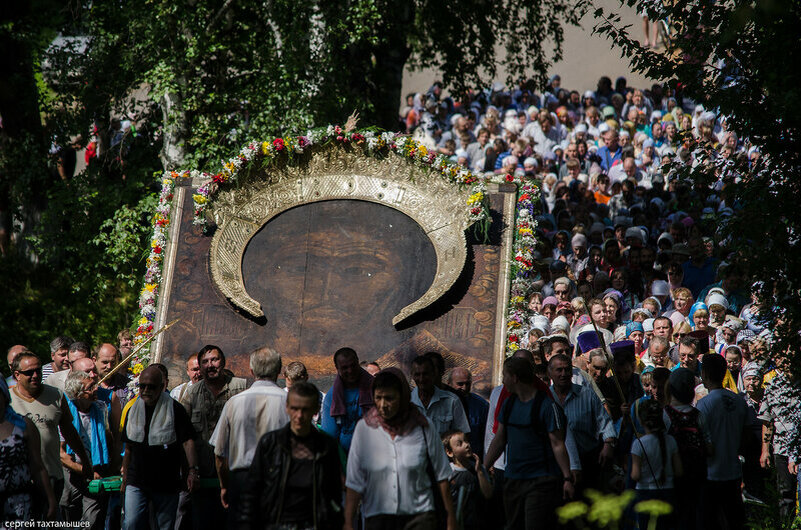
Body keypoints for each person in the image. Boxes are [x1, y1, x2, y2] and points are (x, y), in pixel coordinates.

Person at [344, 368, 457, 530]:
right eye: (378, 398)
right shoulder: (364, 429)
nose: (383, 405)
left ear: (403, 397)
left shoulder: (423, 427)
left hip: (420, 517)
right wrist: (348, 522)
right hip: (377, 518)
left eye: (389, 398)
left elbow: (442, 477)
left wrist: (451, 521)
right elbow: (354, 480)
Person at [238, 381, 343, 529]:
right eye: (295, 409)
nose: (299, 416)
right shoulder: (270, 444)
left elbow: (334, 493)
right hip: (277, 524)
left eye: (305, 410)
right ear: (287, 408)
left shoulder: (326, 447)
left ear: (316, 410)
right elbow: (252, 490)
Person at [484, 357, 574, 529]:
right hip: (513, 479)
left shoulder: (547, 406)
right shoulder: (508, 404)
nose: (503, 381)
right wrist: (484, 466)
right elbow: (499, 439)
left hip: (540, 482)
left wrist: (567, 478)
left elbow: (558, 444)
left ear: (515, 377)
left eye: (505, 375)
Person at [209, 347, 289, 523]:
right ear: (279, 371)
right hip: (278, 481)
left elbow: (220, 454)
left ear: (252, 371)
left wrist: (224, 486)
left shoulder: (234, 403)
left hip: (242, 481)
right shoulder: (289, 404)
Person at [9, 351, 91, 513]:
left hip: (52, 476)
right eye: (29, 372)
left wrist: (85, 461)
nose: (35, 375)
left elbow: (69, 432)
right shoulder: (7, 400)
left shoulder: (55, 395)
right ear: (17, 375)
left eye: (38, 371)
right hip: (19, 480)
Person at [121, 366, 198, 530]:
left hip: (166, 481)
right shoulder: (132, 410)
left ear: (162, 386)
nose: (146, 390)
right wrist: (125, 476)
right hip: (137, 480)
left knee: (165, 526)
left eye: (152, 386)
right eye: (142, 386)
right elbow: (128, 446)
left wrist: (192, 470)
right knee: (131, 523)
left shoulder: (175, 409)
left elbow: (187, 441)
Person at [179, 345, 247, 530]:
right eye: (205, 362)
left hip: (235, 473)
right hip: (203, 475)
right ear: (199, 367)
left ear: (223, 362)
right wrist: (190, 471)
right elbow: (184, 435)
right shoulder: (191, 395)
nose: (210, 365)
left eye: (214, 360)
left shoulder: (242, 388)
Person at [548, 354, 616, 493]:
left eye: (567, 370)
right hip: (555, 463)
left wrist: (608, 444)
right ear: (550, 373)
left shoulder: (587, 395)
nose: (563, 374)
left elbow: (604, 422)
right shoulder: (545, 399)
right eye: (559, 370)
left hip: (587, 459)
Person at [695, 354, 748, 530]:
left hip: (711, 473)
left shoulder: (704, 404)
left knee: (710, 522)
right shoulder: (739, 401)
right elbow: (746, 435)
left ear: (704, 374)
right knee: (734, 521)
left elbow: (700, 439)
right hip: (733, 471)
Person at [60, 370, 113, 529]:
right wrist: (85, 470)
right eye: (91, 387)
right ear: (78, 394)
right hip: (72, 471)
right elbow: (61, 454)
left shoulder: (100, 407)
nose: (96, 388)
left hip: (96, 468)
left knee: (91, 520)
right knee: (68, 514)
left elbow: (108, 436)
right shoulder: (65, 413)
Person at [0, 377, 58, 521]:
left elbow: (37, 466)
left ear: (3, 396)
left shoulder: (23, 425)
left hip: (20, 505)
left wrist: (50, 499)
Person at [664, 367, 709, 530]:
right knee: (694, 514)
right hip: (697, 472)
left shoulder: (665, 414)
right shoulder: (699, 415)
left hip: (673, 474)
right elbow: (709, 446)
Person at [757, 360, 801, 521]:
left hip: (800, 448)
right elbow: (767, 421)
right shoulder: (773, 386)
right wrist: (765, 450)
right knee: (785, 495)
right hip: (781, 447)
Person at [630, 399, 681, 530]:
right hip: (668, 492)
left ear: (641, 421)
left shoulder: (638, 444)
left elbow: (635, 475)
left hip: (645, 493)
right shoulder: (671, 440)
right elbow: (679, 471)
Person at [320, 347, 374, 453]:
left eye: (353, 365)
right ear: (337, 368)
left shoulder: (375, 388)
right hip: (346, 456)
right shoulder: (332, 397)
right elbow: (330, 435)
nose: (350, 371)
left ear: (358, 362)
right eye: (345, 367)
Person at [442, 430, 492, 530]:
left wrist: (479, 472)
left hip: (478, 522)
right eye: (460, 444)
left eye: (466, 441)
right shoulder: (448, 472)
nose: (466, 445)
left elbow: (488, 494)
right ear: (450, 452)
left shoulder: (478, 468)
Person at [411, 355, 470, 437]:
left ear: (433, 374)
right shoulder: (405, 402)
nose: (421, 379)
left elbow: (462, 434)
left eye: (425, 374)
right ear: (412, 376)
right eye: (417, 374)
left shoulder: (452, 401)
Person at [446, 366, 488, 458]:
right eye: (460, 384)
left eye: (467, 384)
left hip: (473, 457)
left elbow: (486, 435)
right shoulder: (442, 403)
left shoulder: (481, 405)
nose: (464, 388)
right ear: (449, 384)